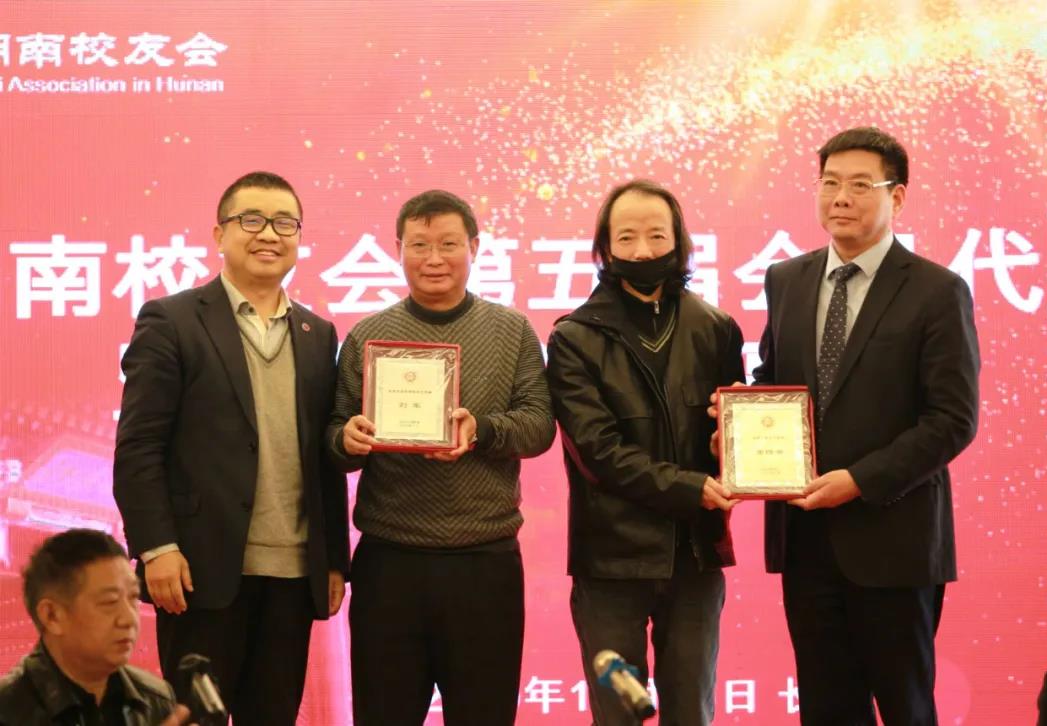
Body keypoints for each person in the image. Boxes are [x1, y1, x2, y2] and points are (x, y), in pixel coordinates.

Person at [750, 127, 980, 724]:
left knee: (906, 707)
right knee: (826, 708)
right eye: (829, 183)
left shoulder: (937, 290)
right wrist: (741, 429)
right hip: (805, 538)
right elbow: (773, 381)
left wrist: (859, 480)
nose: (841, 198)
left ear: (896, 196)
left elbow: (952, 419)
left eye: (859, 185)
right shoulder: (786, 280)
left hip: (894, 539)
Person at [113, 171, 349, 725]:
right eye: (252, 220)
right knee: (196, 718)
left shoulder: (317, 334)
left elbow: (323, 459)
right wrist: (156, 547)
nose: (269, 233)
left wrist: (333, 558)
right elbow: (139, 445)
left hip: (293, 574)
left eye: (285, 223)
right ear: (219, 233)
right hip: (201, 570)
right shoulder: (171, 320)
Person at [327, 189, 555, 726]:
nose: (434, 258)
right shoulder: (367, 336)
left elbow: (540, 425)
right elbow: (334, 434)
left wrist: (482, 431)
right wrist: (346, 439)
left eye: (449, 244)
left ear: (474, 247)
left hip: (484, 563)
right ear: (398, 249)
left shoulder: (512, 330)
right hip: (390, 564)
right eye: (419, 245)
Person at [545, 179, 745, 726]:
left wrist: (727, 451)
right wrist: (689, 487)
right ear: (604, 247)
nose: (642, 250)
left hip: (695, 558)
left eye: (657, 235)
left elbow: (735, 432)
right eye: (626, 237)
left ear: (679, 241)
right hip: (611, 562)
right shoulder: (574, 338)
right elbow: (597, 450)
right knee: (619, 714)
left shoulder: (717, 328)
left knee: (691, 711)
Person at [0, 528, 192, 725]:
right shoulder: (8, 708)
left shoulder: (155, 698)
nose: (128, 619)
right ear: (52, 616)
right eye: (109, 602)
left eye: (133, 597)